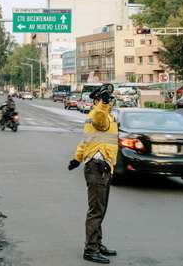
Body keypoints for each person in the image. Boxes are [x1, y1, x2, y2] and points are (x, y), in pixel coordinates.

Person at [68, 83, 118, 264]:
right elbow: (99, 118)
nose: (110, 102)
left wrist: (77, 158)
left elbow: (86, 141)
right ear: (98, 100)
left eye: (110, 100)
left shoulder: (105, 116)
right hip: (98, 167)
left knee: (101, 209)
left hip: (103, 166)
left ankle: (97, 243)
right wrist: (103, 104)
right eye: (107, 99)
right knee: (96, 211)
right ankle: (90, 249)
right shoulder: (99, 115)